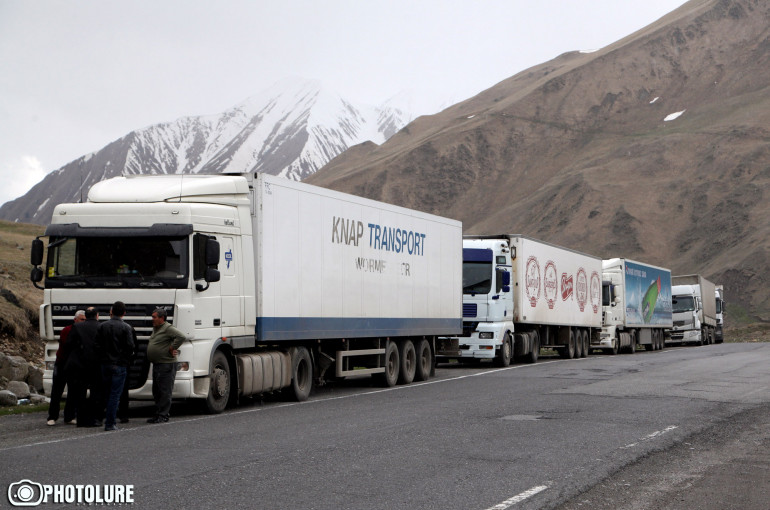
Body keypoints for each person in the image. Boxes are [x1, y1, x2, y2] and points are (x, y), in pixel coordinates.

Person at [96, 301, 136, 431]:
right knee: (115, 394)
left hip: (105, 363)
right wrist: (124, 358)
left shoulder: (102, 326)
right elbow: (130, 346)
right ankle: (110, 422)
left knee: (105, 392)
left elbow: (96, 344)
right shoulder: (126, 327)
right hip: (119, 364)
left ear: (111, 311)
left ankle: (100, 417)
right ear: (124, 313)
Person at [63, 307, 103, 428]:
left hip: (80, 365)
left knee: (79, 392)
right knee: (96, 392)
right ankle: (97, 418)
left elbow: (69, 344)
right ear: (97, 316)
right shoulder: (102, 327)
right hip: (96, 364)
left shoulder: (78, 327)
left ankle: (81, 419)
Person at [146, 307, 185, 423]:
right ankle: (158, 413)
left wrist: (173, 347)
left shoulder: (167, 328)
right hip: (158, 363)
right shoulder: (156, 328)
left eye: (154, 317)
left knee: (165, 390)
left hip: (166, 364)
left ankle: (163, 415)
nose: (152, 319)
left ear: (162, 318)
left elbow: (181, 336)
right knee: (156, 390)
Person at [46, 310, 85, 426]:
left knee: (73, 391)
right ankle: (52, 416)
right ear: (76, 319)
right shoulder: (66, 330)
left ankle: (69, 416)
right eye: (82, 319)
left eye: (85, 320)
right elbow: (67, 345)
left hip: (74, 365)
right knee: (57, 391)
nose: (84, 321)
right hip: (62, 363)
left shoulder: (82, 331)